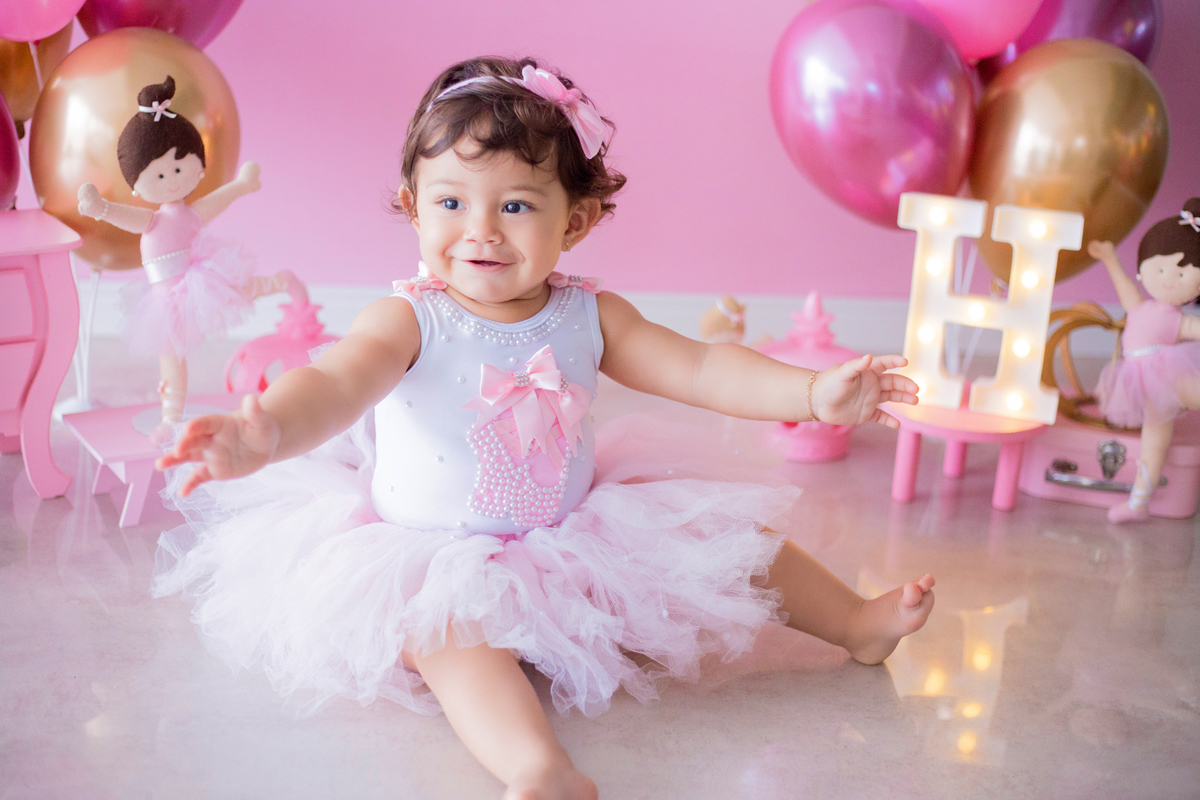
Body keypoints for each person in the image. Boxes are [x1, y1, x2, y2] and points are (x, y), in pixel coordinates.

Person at [154, 57, 934, 800]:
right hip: (437, 550)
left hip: (576, 530)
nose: (482, 230)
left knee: (735, 543)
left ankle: (857, 622)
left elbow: (700, 368)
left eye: (516, 205)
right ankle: (540, 767)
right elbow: (334, 382)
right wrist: (266, 435)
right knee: (453, 642)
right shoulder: (407, 320)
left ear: (578, 220)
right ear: (410, 205)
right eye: (451, 202)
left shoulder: (591, 316)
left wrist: (810, 391)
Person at [77, 76, 307, 436]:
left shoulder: (190, 213)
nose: (172, 180)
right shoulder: (151, 221)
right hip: (164, 300)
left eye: (179, 168)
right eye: (161, 173)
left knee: (241, 290)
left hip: (198, 279)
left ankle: (281, 281)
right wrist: (100, 208)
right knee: (172, 359)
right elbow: (126, 216)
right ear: (137, 184)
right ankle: (171, 418)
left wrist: (243, 185)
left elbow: (218, 200)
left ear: (198, 167)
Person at [1089, 198, 1200, 523]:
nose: (1169, 278)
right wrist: (1109, 258)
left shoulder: (1177, 318)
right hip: (1144, 383)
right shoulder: (1140, 307)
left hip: (1171, 375)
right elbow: (1126, 289)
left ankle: (1139, 502)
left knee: (1157, 437)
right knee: (1153, 442)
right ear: (1144, 268)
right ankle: (1138, 503)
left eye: (1184, 273)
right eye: (1162, 268)